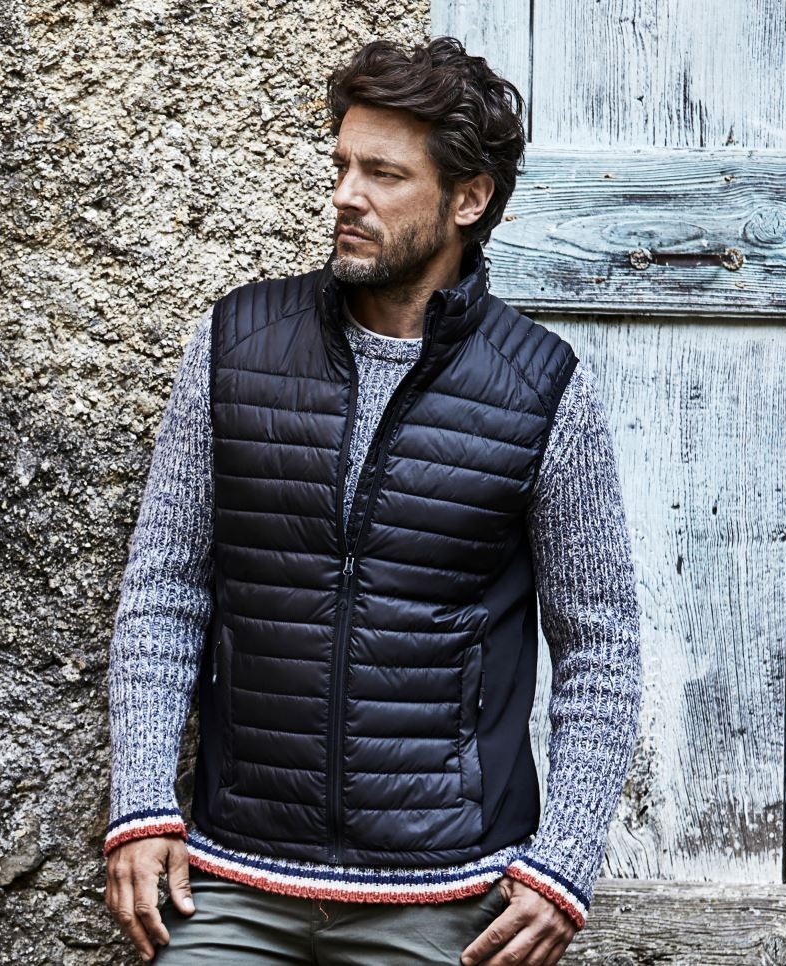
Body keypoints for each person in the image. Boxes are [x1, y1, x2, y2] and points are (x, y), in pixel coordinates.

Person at [103, 35, 642, 966]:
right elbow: (164, 590)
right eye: (342, 165)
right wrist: (142, 805)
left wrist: (565, 860)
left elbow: (600, 646)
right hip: (230, 881)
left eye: (383, 174)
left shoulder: (544, 388)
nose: (346, 196)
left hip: (447, 898)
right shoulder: (236, 345)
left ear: (469, 199)